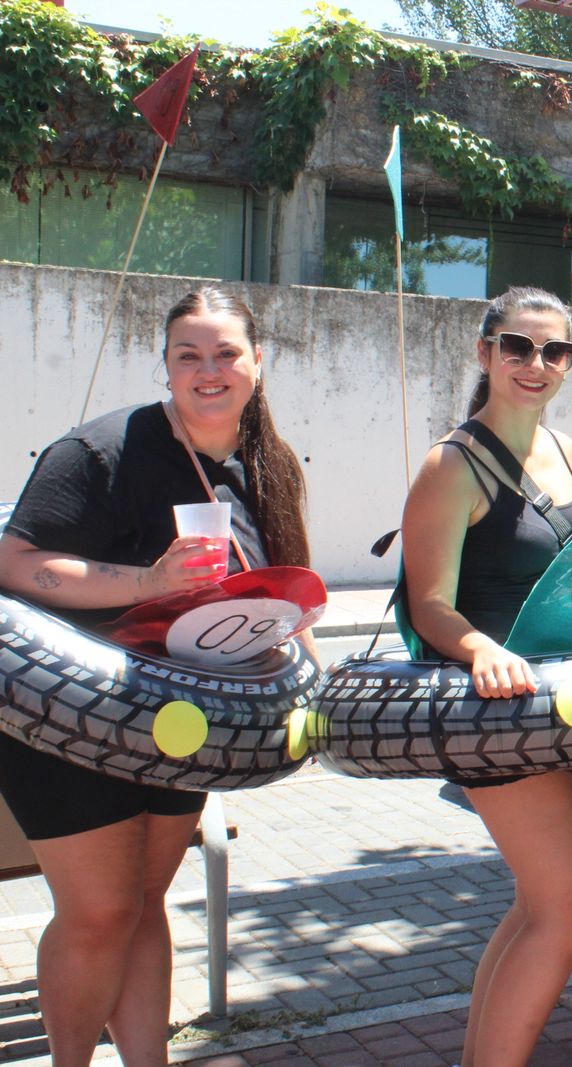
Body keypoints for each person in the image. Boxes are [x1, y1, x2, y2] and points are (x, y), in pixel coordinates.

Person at [0, 288, 310, 1067]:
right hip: (69, 717)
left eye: (226, 353)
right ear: (166, 365)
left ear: (258, 361)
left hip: (182, 719)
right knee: (100, 911)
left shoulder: (266, 467)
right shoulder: (101, 452)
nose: (209, 370)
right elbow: (17, 563)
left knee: (143, 903)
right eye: (188, 355)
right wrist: (146, 582)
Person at [400, 286, 572, 1067]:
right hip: (498, 716)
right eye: (518, 346)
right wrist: (481, 647)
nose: (536, 364)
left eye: (555, 351)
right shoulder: (452, 464)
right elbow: (429, 605)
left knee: (541, 906)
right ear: (485, 353)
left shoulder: (567, 449)